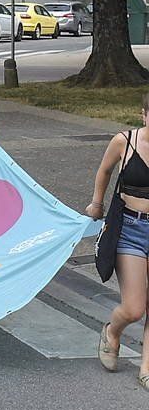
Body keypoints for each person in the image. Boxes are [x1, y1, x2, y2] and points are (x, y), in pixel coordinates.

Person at [89, 93, 149, 389]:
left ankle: (146, 367)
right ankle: (113, 331)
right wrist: (96, 204)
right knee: (135, 308)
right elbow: (104, 170)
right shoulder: (124, 142)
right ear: (144, 115)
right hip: (130, 229)